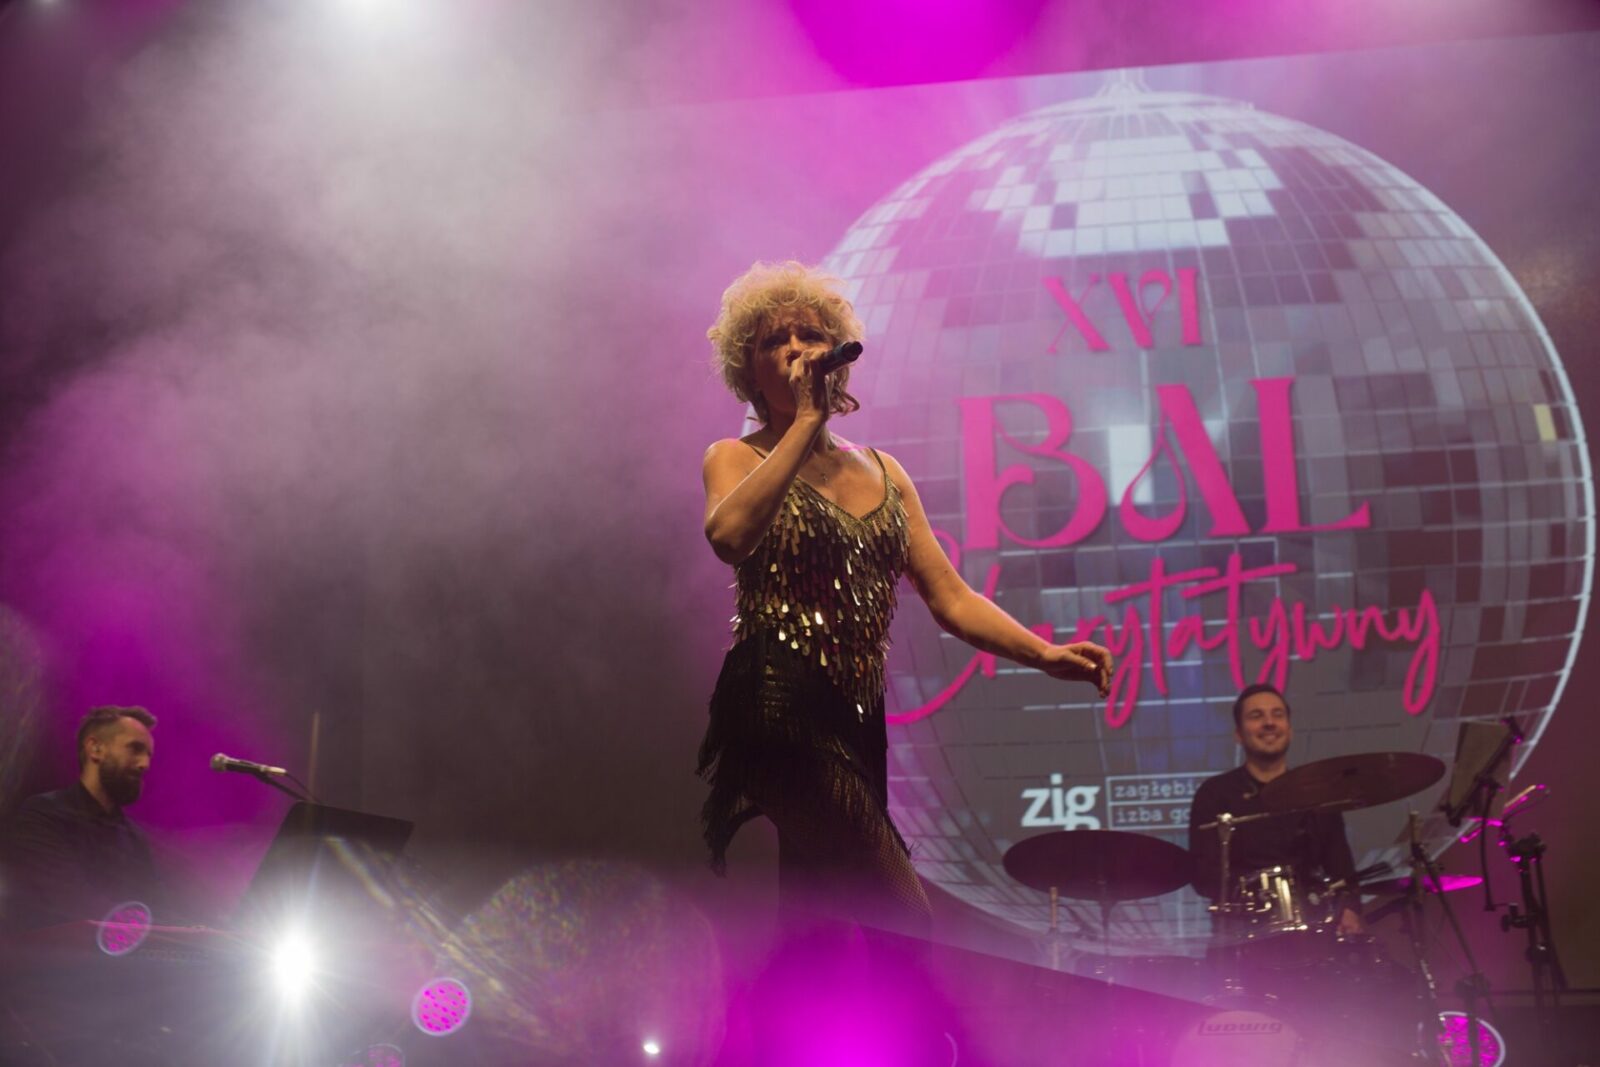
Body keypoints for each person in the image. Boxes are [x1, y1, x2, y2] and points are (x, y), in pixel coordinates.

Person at [696, 260, 1112, 936]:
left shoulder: (886, 472)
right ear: (750, 369)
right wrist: (804, 421)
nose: (798, 349)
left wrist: (1045, 654)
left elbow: (950, 595)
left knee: (826, 926)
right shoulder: (735, 457)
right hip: (778, 704)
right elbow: (729, 536)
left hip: (858, 718)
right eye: (776, 340)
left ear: (839, 354)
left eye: (811, 334)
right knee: (901, 914)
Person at [1187, 683, 1362, 935]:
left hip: (1315, 933)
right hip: (1242, 936)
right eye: (1256, 716)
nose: (1269, 723)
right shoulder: (1214, 794)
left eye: (1277, 715)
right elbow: (1203, 877)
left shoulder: (1318, 794)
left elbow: (1342, 868)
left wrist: (1350, 909)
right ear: (1238, 734)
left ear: (1289, 730)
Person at [0, 705, 162, 931]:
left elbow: (156, 907)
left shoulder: (134, 838)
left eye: (148, 754)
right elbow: (72, 901)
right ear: (95, 748)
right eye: (135, 748)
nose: (145, 764)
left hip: (126, 952)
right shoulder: (42, 815)